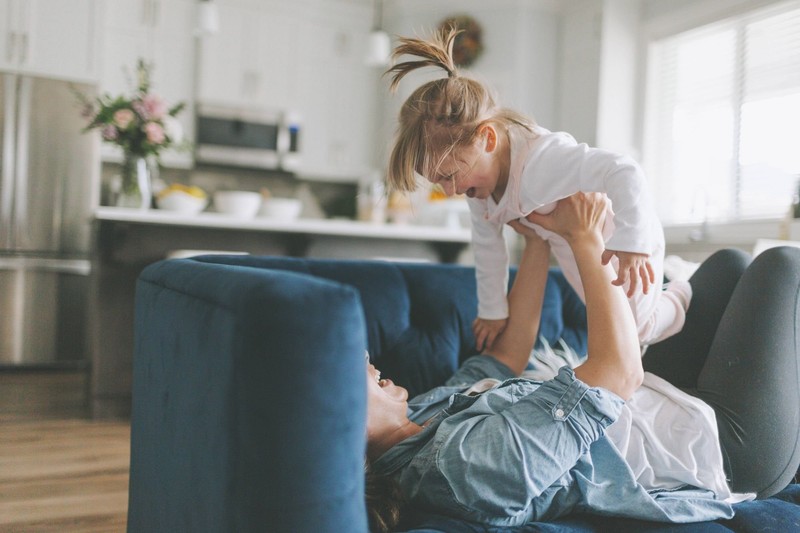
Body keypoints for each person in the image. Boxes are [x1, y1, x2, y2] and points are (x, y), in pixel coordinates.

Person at [364, 192, 800, 532]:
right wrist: (584, 239)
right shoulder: (463, 472)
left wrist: (535, 242)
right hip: (720, 451)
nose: (366, 361)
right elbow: (618, 372)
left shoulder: (421, 413)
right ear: (342, 425)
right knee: (783, 266)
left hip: (659, 404)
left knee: (728, 264)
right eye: (347, 371)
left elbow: (503, 357)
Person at [385, 29, 691, 351]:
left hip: (622, 241)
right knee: (616, 325)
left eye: (450, 175)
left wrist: (632, 243)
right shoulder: (479, 186)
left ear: (487, 139)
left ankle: (684, 289)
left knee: (638, 328)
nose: (450, 191)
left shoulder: (543, 160)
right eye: (439, 182)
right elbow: (487, 245)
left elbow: (623, 170)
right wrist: (492, 310)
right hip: (577, 252)